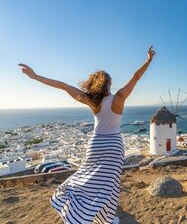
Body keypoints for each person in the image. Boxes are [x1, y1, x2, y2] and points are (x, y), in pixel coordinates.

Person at [18, 46, 156, 224]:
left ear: (95, 85)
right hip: (114, 145)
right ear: (109, 84)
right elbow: (136, 77)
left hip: (96, 144)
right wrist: (148, 61)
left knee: (85, 177)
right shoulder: (119, 98)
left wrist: (35, 76)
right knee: (109, 186)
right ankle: (104, 219)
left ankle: (80, 213)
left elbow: (63, 86)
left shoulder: (92, 101)